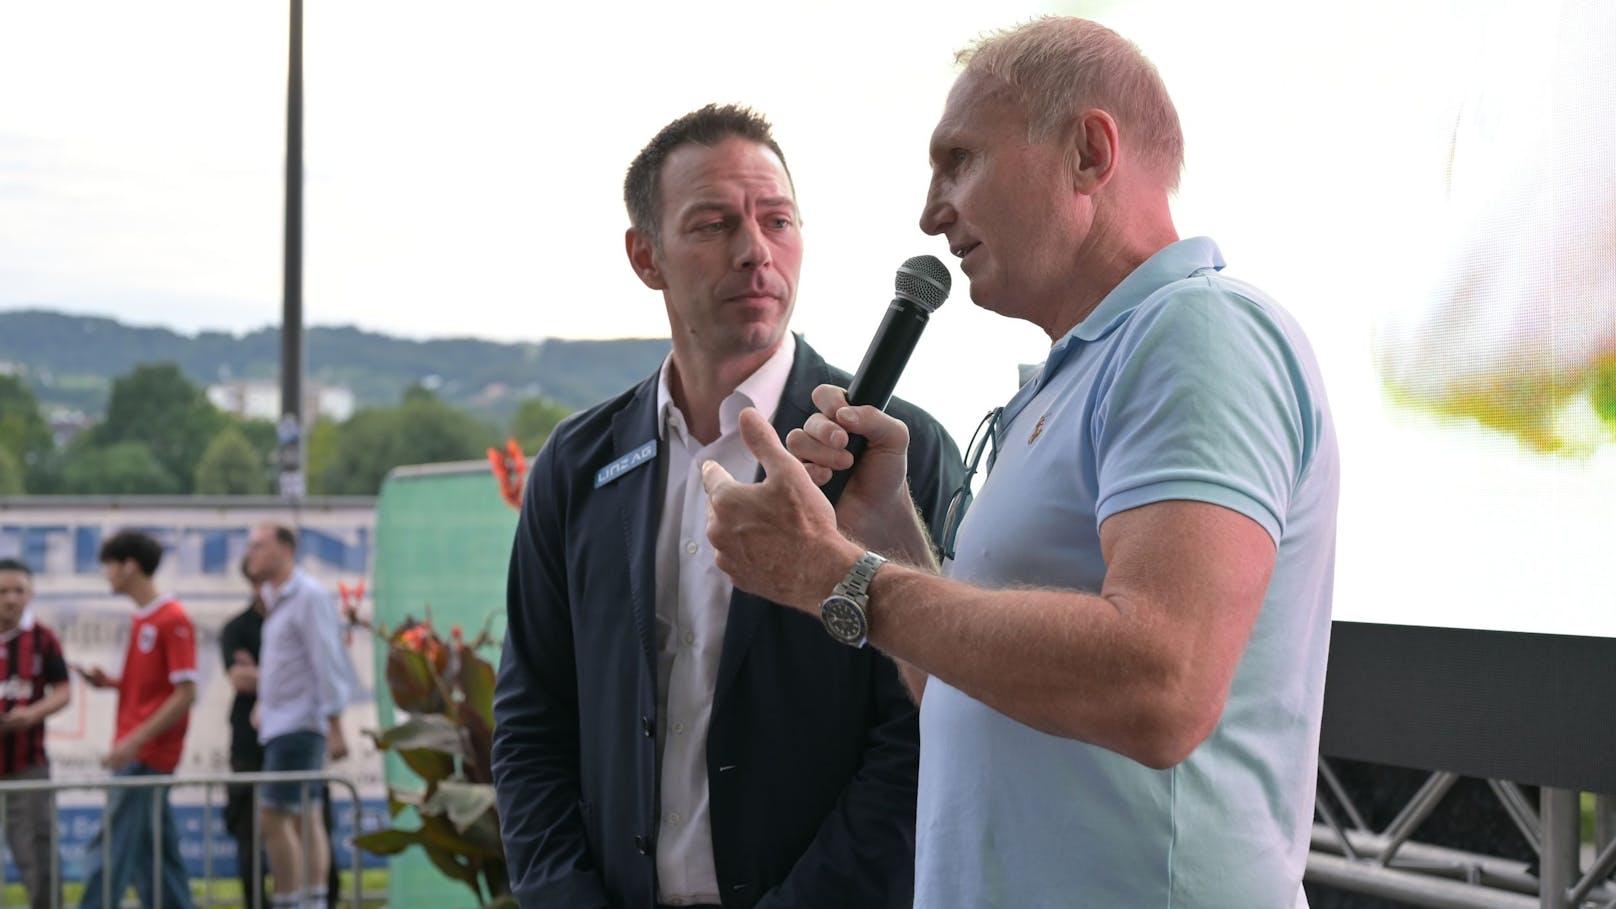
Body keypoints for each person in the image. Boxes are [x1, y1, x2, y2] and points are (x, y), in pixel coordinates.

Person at [699, 18, 1340, 909]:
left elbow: (1162, 682)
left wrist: (838, 576)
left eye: (960, 159)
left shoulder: (1201, 331)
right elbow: (972, 704)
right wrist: (883, 531)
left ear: (1088, 152)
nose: (930, 211)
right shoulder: (1068, 380)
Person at [490, 104, 963, 909]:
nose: (755, 252)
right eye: (712, 224)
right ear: (646, 256)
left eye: (778, 220)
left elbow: (923, 734)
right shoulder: (578, 464)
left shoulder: (895, 448)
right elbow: (533, 722)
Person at [79, 530, 197, 909]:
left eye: (109, 566)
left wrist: (132, 742)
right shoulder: (144, 619)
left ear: (129, 566)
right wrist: (110, 684)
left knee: (111, 849)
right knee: (157, 857)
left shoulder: (171, 619)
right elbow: (153, 688)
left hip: (145, 755)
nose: (107, 575)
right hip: (139, 750)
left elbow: (185, 693)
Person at [244, 523, 352, 909]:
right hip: (284, 723)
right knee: (304, 815)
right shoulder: (279, 600)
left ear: (285, 549)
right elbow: (289, 666)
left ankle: (294, 899)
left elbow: (326, 660)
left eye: (259, 546)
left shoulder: (307, 596)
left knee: (274, 817)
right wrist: (265, 706)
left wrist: (335, 723)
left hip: (298, 726)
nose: (251, 553)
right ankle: (309, 899)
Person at [0, 557, 71, 909]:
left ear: (31, 594)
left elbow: (63, 689)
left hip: (27, 762)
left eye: (19, 591)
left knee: (38, 851)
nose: (11, 599)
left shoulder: (43, 638)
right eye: (2, 591)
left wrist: (33, 714)